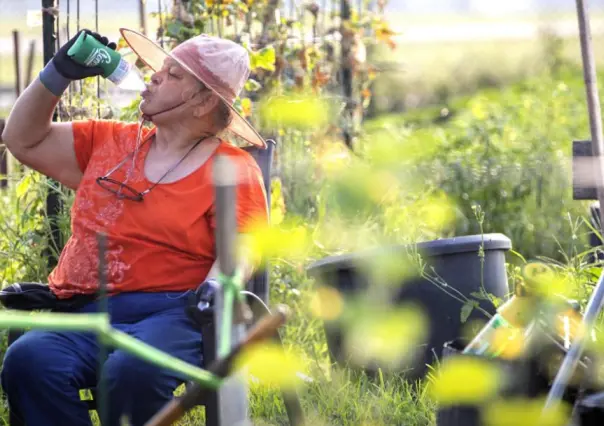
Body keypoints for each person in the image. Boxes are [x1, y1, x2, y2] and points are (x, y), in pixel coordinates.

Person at [0, 28, 269, 426]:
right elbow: (20, 140)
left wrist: (217, 286)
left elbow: (242, 248)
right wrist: (57, 74)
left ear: (203, 102)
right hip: (89, 310)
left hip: (176, 315)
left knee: (131, 372)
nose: (155, 76)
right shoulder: (107, 143)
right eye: (161, 69)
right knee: (29, 360)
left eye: (174, 75)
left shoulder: (231, 168)